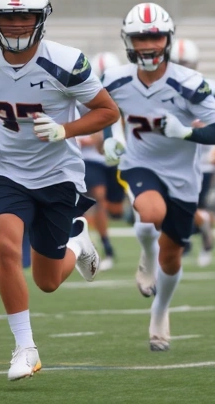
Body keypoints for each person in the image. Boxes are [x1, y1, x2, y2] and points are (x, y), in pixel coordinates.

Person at [0, 0, 118, 380]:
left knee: (47, 280)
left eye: (25, 16)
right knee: (8, 247)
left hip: (57, 174)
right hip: (6, 171)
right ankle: (24, 348)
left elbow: (107, 111)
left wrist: (66, 129)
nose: (16, 25)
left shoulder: (65, 62)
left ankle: (78, 242)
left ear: (41, 17)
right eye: (7, 17)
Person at [101, 2, 215, 351]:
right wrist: (111, 139)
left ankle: (160, 311)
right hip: (139, 163)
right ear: (128, 40)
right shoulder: (114, 79)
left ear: (167, 39)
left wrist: (186, 132)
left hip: (183, 178)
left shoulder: (189, 83)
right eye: (140, 37)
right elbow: (102, 110)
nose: (147, 44)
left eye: (154, 36)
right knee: (150, 215)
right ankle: (145, 254)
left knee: (171, 255)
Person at [168, 39, 215, 267]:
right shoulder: (164, 88)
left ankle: (202, 232)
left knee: (190, 206)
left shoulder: (209, 88)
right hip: (174, 157)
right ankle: (189, 238)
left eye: (185, 63)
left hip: (202, 159)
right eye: (179, 63)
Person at [77, 51, 124, 270]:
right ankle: (107, 247)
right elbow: (71, 126)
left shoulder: (125, 95)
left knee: (115, 208)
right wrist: (88, 137)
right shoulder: (80, 97)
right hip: (91, 159)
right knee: (100, 198)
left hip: (114, 159)